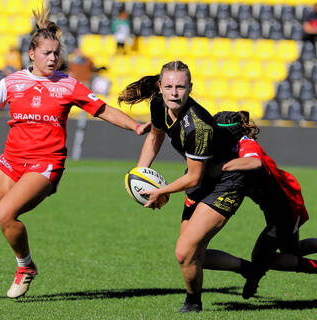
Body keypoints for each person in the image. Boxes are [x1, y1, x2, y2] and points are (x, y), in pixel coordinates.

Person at [0, 5, 150, 299]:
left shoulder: (68, 85)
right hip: (10, 161)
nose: (54, 58)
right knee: (3, 217)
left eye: (57, 53)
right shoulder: (12, 82)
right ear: (32, 54)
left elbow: (102, 109)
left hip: (44, 165)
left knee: (5, 214)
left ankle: (25, 267)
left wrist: (134, 126)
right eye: (47, 53)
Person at [118, 61, 248, 313]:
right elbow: (155, 137)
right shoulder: (158, 103)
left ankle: (193, 303)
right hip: (201, 178)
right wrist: (140, 176)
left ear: (190, 88)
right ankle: (249, 269)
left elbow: (194, 179)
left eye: (180, 87)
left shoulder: (198, 126)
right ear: (160, 86)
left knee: (184, 251)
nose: (174, 93)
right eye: (168, 86)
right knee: (192, 254)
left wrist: (160, 191)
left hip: (226, 182)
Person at [214, 110, 317, 299]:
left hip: (285, 206)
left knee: (262, 257)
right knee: (292, 250)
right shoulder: (233, 146)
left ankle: (254, 277)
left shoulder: (246, 143)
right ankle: (254, 276)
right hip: (282, 202)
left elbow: (255, 163)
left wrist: (222, 168)